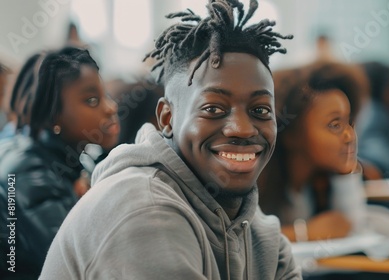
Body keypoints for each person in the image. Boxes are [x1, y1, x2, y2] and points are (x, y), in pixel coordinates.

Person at [40, 1, 300, 279]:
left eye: (260, 110)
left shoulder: (260, 232)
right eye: (213, 109)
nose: (242, 129)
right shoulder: (143, 209)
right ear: (166, 118)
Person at [258, 62, 389, 262]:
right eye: (334, 124)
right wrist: (305, 233)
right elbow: (238, 241)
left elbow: (354, 226)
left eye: (350, 122)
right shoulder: (256, 182)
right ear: (291, 133)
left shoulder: (323, 181)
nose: (350, 135)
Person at [0, 47, 120, 279]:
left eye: (106, 95)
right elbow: (77, 266)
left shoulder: (61, 158)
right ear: (54, 114)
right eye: (92, 100)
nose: (111, 107)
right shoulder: (28, 172)